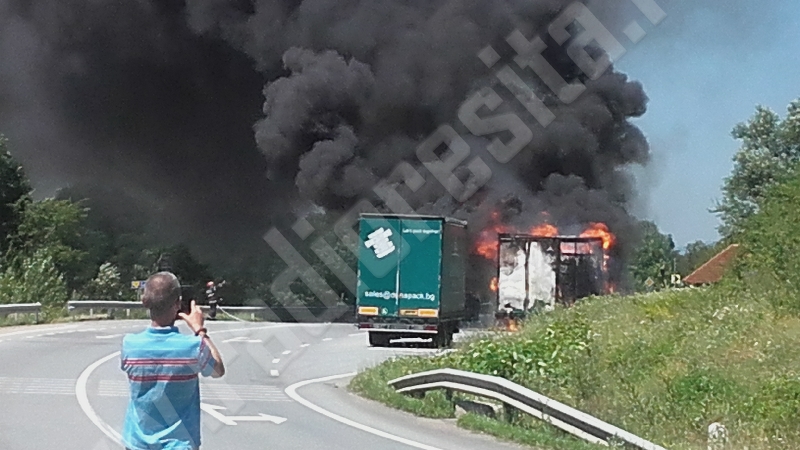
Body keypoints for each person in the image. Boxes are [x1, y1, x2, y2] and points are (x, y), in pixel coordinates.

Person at [121, 272, 225, 450]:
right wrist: (199, 330)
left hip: (138, 443)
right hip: (179, 444)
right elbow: (218, 370)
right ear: (177, 304)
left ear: (145, 302)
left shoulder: (130, 344)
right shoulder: (192, 347)